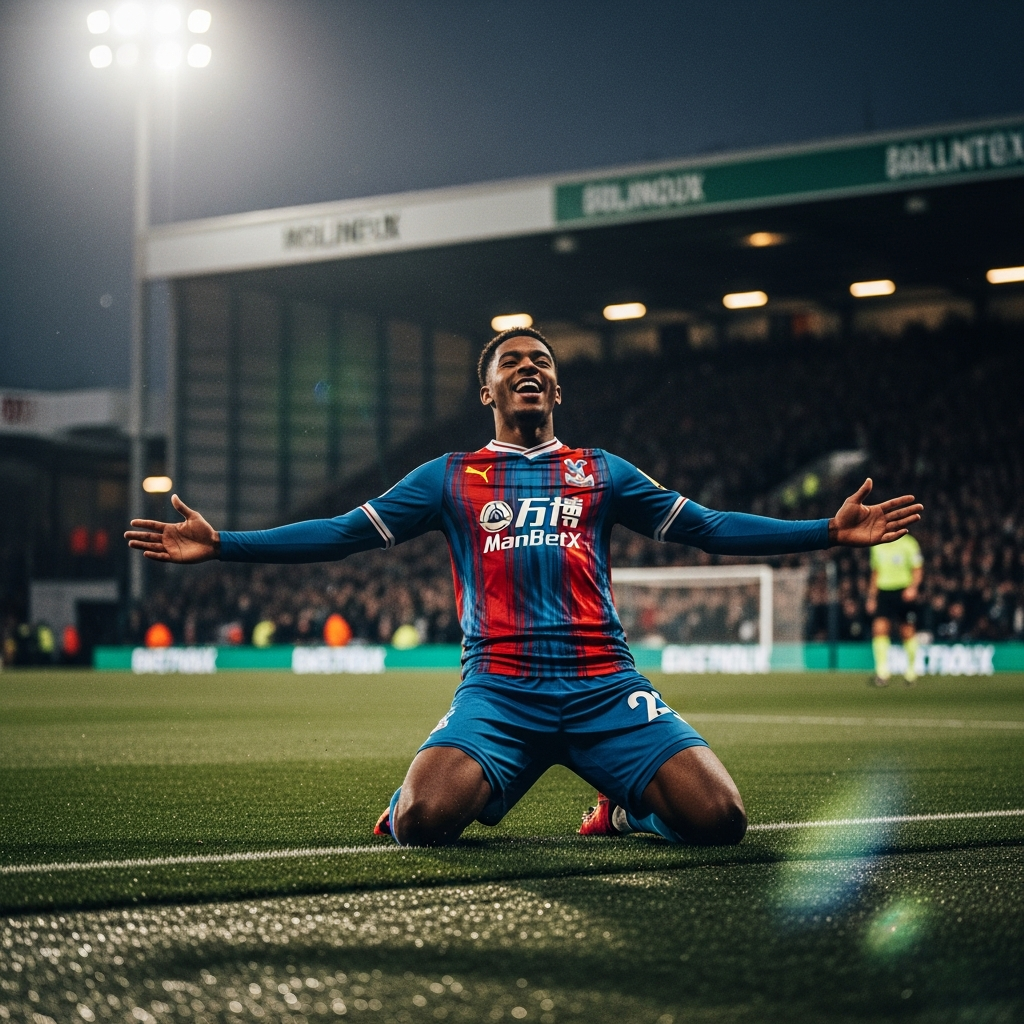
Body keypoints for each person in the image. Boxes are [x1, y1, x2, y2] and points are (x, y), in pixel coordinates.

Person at [126, 327, 922, 847]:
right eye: (513, 362)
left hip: (605, 684)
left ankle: (624, 806)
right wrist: (224, 543)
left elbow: (709, 527)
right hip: (500, 690)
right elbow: (338, 535)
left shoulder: (602, 471)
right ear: (490, 393)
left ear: (557, 390)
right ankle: (419, 790)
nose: (530, 369)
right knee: (422, 823)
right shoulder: (449, 477)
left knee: (722, 822)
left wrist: (825, 531)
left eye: (541, 361)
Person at [865, 531, 924, 686]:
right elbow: (875, 572)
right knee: (879, 629)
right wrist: (872, 597)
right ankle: (882, 673)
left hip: (903, 591)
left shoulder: (909, 543)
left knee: (907, 631)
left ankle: (911, 673)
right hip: (884, 592)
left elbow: (917, 568)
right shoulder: (877, 544)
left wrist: (913, 587)